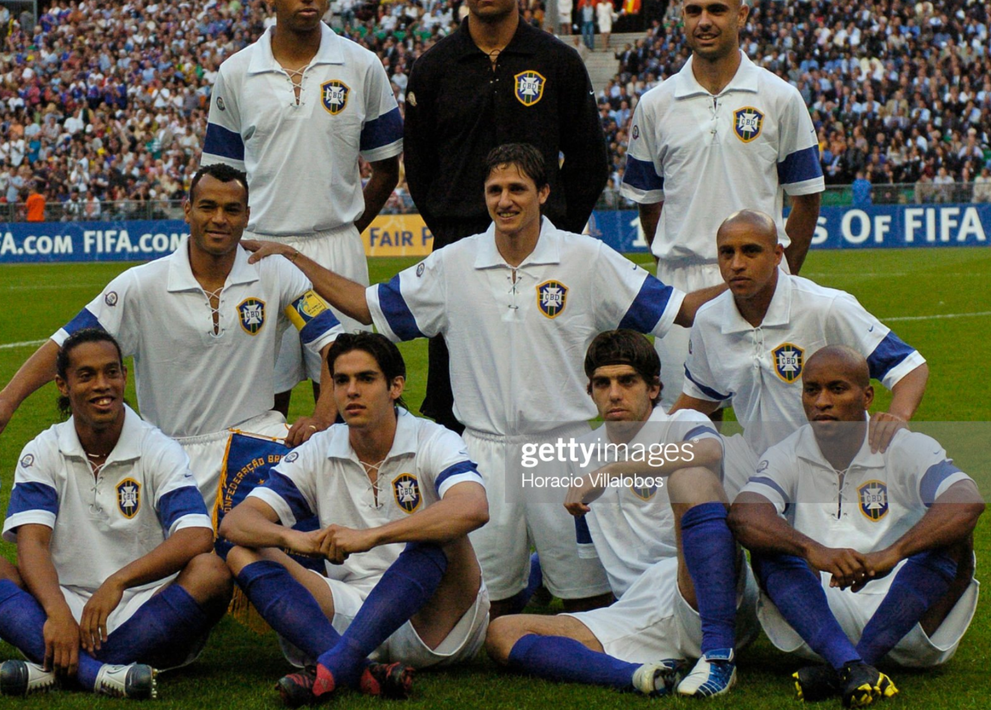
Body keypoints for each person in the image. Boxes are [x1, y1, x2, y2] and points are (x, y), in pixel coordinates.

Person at [244, 143, 724, 619]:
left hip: (565, 447)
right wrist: (294, 259)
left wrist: (761, 279)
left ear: (543, 193)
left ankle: (550, 587)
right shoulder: (455, 263)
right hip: (485, 449)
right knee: (486, 605)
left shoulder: (587, 258)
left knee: (587, 598)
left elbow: (678, 309)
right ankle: (528, 582)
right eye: (495, 189)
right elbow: (367, 306)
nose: (505, 200)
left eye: (517, 188)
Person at [0, 164, 345, 512]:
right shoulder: (141, 285)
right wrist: (6, 401)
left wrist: (322, 419)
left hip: (253, 440)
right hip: (168, 452)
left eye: (231, 209)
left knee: (302, 504)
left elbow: (333, 343)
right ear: (188, 211)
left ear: (247, 216)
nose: (219, 219)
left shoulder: (275, 273)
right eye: (208, 207)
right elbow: (66, 344)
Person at [402, 0, 609, 434]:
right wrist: (455, 223)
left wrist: (554, 226)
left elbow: (589, 160)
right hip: (459, 248)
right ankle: (463, 499)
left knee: (548, 383)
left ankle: (553, 496)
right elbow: (420, 164)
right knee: (455, 396)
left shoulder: (557, 61)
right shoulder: (434, 67)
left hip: (544, 249)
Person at [0, 329, 231, 698]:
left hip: (141, 602)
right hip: (60, 603)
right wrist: (56, 612)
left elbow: (196, 535)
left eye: (111, 372)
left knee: (212, 571)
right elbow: (32, 544)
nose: (103, 385)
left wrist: (118, 582)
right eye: (86, 375)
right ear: (62, 385)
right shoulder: (44, 449)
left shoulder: (156, 447)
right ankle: (102, 674)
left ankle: (56, 668)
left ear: (123, 376)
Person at [220, 332, 489, 706]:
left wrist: (371, 537)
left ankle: (334, 666)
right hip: (349, 608)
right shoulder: (320, 448)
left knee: (443, 532)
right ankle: (355, 668)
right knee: (240, 551)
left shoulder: (433, 438)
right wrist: (297, 539)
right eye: (341, 381)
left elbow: (473, 507)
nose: (351, 391)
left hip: (434, 619)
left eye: (366, 379)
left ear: (395, 386)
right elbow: (236, 522)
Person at [484, 330, 758, 697]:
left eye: (627, 381)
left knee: (690, 478)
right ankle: (639, 675)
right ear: (589, 391)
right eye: (602, 383)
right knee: (502, 633)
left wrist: (612, 472)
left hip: (705, 593)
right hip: (638, 608)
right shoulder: (578, 453)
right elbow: (586, 560)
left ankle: (719, 656)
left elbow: (708, 453)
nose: (614, 393)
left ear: (654, 388)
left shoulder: (681, 424)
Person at [201, 0, 402, 416]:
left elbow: (386, 167)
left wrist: (347, 229)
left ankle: (342, 491)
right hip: (260, 253)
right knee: (260, 403)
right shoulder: (236, 73)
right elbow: (221, 180)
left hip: (336, 251)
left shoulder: (361, 65)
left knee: (346, 397)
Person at [729, 347, 982, 706]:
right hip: (822, 613)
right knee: (768, 542)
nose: (822, 402)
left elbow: (967, 499)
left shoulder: (902, 446)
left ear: (867, 397)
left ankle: (850, 663)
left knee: (955, 534)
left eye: (837, 389)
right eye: (812, 390)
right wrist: (812, 549)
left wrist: (892, 554)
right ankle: (853, 665)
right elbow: (744, 514)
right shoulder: (788, 451)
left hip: (909, 617)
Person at [623, 0, 824, 406]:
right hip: (682, 288)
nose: (705, 20)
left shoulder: (780, 97)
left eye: (717, 9)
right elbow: (649, 203)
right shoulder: (654, 105)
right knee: (689, 432)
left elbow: (806, 197)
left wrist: (781, 270)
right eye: (693, 11)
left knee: (782, 427)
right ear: (681, 17)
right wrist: (677, 251)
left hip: (765, 281)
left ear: (742, 16)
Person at [673, 211, 929, 495]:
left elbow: (908, 366)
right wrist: (642, 449)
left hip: (837, 459)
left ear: (776, 255)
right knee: (687, 474)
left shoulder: (826, 307)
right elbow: (697, 400)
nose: (736, 264)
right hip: (757, 461)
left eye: (750, 251)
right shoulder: (709, 321)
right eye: (726, 253)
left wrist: (898, 416)